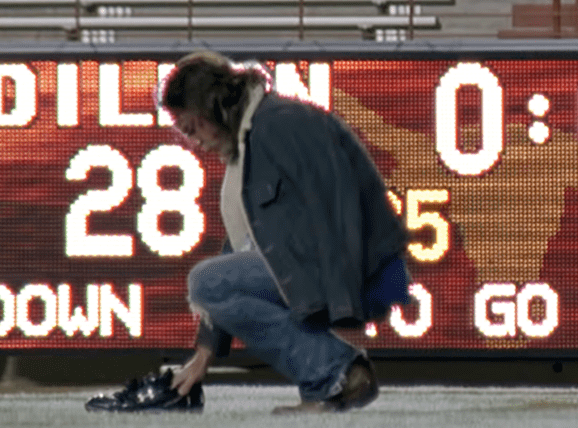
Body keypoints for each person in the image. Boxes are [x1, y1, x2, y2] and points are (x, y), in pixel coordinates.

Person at [156, 50, 410, 414]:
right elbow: (243, 253)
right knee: (213, 284)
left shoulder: (283, 124)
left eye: (192, 128)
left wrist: (344, 307)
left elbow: (337, 209)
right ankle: (328, 380)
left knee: (206, 282)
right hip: (319, 268)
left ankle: (336, 371)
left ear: (212, 107)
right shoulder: (247, 146)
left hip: (361, 269)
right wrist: (204, 352)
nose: (194, 142)